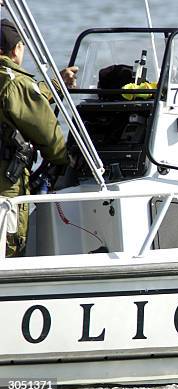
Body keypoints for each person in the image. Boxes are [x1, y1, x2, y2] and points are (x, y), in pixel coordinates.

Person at [0, 18, 78, 256]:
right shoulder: (15, 82)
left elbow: (20, 99)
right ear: (17, 49)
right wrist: (67, 163)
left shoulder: (14, 85)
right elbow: (49, 134)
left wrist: (55, 85)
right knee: (8, 248)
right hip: (6, 185)